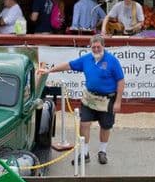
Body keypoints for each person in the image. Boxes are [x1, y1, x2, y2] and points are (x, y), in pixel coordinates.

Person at [39, 35, 125, 165]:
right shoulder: (86, 59)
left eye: (98, 47)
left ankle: (102, 151)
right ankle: (84, 154)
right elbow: (69, 65)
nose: (96, 49)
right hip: (89, 97)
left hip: (107, 99)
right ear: (90, 47)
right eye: (93, 47)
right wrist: (49, 70)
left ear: (103, 46)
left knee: (105, 126)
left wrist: (118, 102)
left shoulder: (112, 61)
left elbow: (121, 81)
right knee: (84, 124)